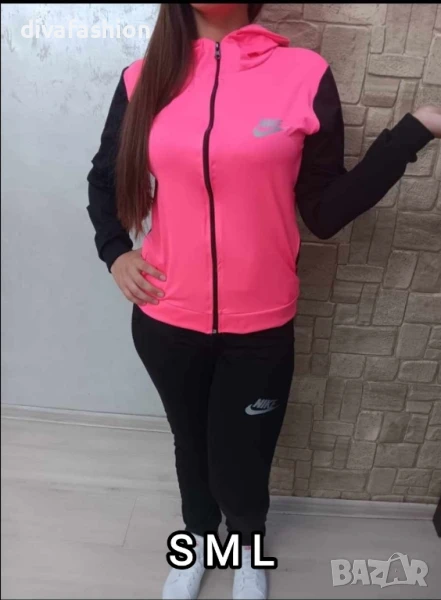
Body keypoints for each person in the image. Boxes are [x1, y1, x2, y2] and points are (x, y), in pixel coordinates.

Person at [86, 4, 440, 599]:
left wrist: (416, 130)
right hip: (166, 316)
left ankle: (248, 546)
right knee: (190, 446)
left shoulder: (304, 74)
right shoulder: (143, 78)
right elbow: (105, 177)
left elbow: (325, 212)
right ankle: (199, 543)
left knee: (242, 460)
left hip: (260, 325)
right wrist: (115, 251)